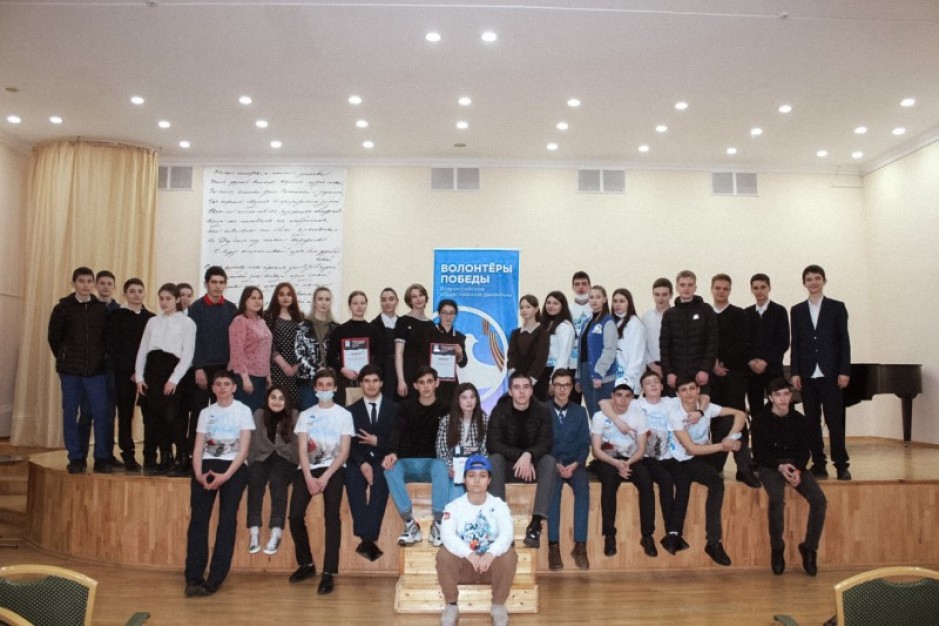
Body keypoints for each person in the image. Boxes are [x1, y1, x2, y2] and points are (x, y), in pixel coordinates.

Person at [184, 369, 254, 597]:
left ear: (234, 388)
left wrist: (226, 476)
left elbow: (243, 450)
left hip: (233, 468)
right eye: (218, 384)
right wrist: (198, 474)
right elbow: (198, 447)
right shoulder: (206, 413)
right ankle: (193, 578)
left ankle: (215, 578)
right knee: (198, 521)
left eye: (226, 384)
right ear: (213, 388)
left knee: (227, 521)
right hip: (206, 467)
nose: (222, 388)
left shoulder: (243, 411)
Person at [751, 378, 827, 576]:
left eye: (786, 394)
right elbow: (759, 454)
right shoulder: (760, 420)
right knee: (777, 499)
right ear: (770, 398)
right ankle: (777, 548)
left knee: (819, 500)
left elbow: (804, 451)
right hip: (771, 465)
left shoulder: (800, 420)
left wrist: (798, 471)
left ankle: (809, 548)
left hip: (795, 464)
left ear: (791, 395)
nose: (783, 399)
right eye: (778, 395)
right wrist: (780, 467)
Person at [668, 376, 747, 565]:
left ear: (698, 390)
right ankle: (713, 542)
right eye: (684, 390)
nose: (689, 393)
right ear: (678, 394)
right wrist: (725, 445)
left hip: (707, 454)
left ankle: (746, 470)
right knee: (717, 484)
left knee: (730, 423)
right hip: (686, 459)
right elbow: (692, 449)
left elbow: (740, 414)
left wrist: (731, 438)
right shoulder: (675, 415)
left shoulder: (705, 407)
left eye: (692, 388)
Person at [288, 368, 353, 595]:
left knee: (331, 517)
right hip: (307, 469)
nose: (324, 389)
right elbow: (302, 450)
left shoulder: (344, 415)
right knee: (295, 516)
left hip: (334, 470)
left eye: (329, 385)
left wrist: (325, 477)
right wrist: (308, 477)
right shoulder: (305, 415)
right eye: (321, 385)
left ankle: (328, 572)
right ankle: (306, 563)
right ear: (315, 388)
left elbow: (344, 452)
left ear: (335, 388)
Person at [436, 454, 518, 626]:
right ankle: (451, 606)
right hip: (465, 566)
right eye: (471, 475)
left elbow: (507, 534)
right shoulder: (453, 507)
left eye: (482, 476)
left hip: (490, 566)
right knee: (443, 554)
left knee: (509, 554)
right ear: (464, 479)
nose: (476, 480)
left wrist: (490, 554)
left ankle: (498, 606)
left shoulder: (499, 505)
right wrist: (470, 554)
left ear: (489, 480)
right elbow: (447, 536)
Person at [790, 264, 852, 481]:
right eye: (809, 279)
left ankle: (841, 465)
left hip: (832, 374)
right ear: (804, 283)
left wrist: (844, 371)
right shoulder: (797, 310)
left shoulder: (837, 307)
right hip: (807, 375)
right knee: (811, 422)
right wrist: (795, 372)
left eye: (817, 278)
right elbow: (796, 343)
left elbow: (844, 341)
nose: (813, 282)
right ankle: (818, 463)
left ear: (824, 281)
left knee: (835, 421)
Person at [48, 267, 112, 474]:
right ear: (73, 283)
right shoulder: (63, 308)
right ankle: (75, 457)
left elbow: (106, 339)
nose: (85, 285)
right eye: (81, 281)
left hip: (96, 371)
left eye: (89, 281)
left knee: (100, 413)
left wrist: (100, 359)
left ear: (93, 284)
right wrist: (66, 357)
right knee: (70, 413)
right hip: (70, 372)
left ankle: (101, 457)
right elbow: (54, 338)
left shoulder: (100, 308)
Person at [486, 371, 556, 548]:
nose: (522, 391)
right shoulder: (499, 411)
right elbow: (493, 444)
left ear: (531, 390)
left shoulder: (542, 411)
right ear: (510, 392)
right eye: (516, 387)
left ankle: (535, 525)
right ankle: (502, 524)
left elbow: (546, 442)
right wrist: (520, 456)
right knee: (494, 459)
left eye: (526, 387)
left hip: (533, 467)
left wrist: (529, 455)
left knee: (549, 461)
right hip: (509, 467)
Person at [383, 365, 450, 547]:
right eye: (421, 382)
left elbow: (452, 437)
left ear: (437, 383)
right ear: (415, 386)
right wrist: (391, 452)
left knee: (442, 465)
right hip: (407, 462)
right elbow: (395, 432)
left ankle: (438, 524)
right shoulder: (404, 407)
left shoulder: (447, 407)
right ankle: (410, 524)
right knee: (389, 468)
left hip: (433, 463)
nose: (426, 386)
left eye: (429, 381)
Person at [590, 379, 657, 558]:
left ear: (632, 398)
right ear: (612, 397)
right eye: (619, 395)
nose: (623, 400)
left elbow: (641, 450)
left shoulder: (638, 416)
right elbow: (596, 451)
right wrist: (616, 463)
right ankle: (609, 535)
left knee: (646, 481)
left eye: (627, 396)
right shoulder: (599, 417)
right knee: (609, 481)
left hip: (631, 459)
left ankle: (647, 535)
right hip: (606, 460)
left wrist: (627, 463)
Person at [135, 283, 197, 475]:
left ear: (177, 299)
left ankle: (182, 457)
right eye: (161, 298)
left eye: (168, 298)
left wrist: (174, 379)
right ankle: (165, 456)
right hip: (153, 371)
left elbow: (188, 355)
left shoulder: (187, 323)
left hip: (173, 371)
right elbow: (143, 350)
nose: (164, 302)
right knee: (156, 416)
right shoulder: (152, 321)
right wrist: (139, 377)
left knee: (173, 417)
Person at [708, 274, 761, 488]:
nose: (721, 291)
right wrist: (713, 364)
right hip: (711, 376)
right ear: (712, 289)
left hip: (735, 375)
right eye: (717, 288)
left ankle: (743, 468)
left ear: (729, 291)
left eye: (725, 288)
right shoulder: (706, 313)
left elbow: (743, 343)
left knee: (739, 420)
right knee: (715, 421)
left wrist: (724, 364)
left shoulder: (739, 314)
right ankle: (716, 466)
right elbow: (703, 342)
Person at [186, 266, 237, 469]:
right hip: (203, 369)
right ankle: (193, 456)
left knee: (222, 414)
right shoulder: (196, 308)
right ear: (206, 284)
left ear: (225, 285)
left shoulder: (231, 308)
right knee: (199, 413)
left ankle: (220, 454)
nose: (217, 286)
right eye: (214, 282)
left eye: (221, 282)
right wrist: (198, 367)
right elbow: (193, 340)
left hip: (224, 369)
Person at [345, 364, 396, 561]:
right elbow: (348, 443)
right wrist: (362, 464)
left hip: (384, 459)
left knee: (381, 482)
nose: (371, 385)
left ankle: (367, 537)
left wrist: (377, 442)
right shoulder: (350, 411)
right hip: (359, 460)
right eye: (366, 381)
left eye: (375, 380)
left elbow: (397, 440)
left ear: (381, 383)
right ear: (360, 384)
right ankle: (367, 536)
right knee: (353, 480)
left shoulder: (394, 408)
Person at [105, 278, 154, 471]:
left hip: (146, 376)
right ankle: (128, 455)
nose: (136, 294)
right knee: (125, 415)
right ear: (125, 294)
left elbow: (153, 349)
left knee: (150, 415)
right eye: (132, 291)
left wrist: (142, 372)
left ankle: (150, 455)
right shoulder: (116, 316)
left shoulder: (151, 318)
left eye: (140, 291)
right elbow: (113, 347)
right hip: (124, 375)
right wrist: (132, 372)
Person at [546, 369, 590, 570]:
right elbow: (541, 442)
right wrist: (555, 464)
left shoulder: (580, 412)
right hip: (552, 464)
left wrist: (575, 464)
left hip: (574, 464)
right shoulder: (542, 410)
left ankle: (580, 546)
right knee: (553, 493)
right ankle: (553, 547)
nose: (562, 389)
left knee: (583, 489)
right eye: (558, 385)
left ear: (572, 388)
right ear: (552, 387)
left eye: (566, 385)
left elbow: (584, 444)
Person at [246, 385, 298, 557]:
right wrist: (251, 461)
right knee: (254, 476)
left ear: (287, 401)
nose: (277, 401)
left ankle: (276, 532)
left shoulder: (295, 415)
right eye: (273, 397)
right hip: (263, 457)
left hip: (286, 459)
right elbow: (252, 442)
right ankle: (254, 532)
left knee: (277, 479)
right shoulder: (258, 415)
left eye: (281, 398)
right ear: (267, 399)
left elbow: (299, 443)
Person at [660, 270, 718, 392]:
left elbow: (712, 343)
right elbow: (664, 347)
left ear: (695, 287)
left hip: (700, 375)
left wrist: (705, 369)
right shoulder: (669, 314)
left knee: (702, 404)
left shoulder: (706, 310)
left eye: (690, 285)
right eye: (682, 285)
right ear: (677, 287)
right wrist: (669, 372)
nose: (686, 288)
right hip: (676, 375)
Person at [326, 290, 384, 406]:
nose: (359, 306)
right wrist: (343, 369)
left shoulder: (374, 331)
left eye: (362, 303)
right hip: (345, 380)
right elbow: (330, 356)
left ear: (366, 305)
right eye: (355, 303)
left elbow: (380, 356)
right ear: (350, 306)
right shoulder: (340, 330)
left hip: (368, 381)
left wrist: (368, 372)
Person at [745, 273, 790, 417]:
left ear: (769, 288)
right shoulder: (746, 313)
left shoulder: (779, 311)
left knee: (777, 409)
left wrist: (766, 361)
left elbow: (783, 342)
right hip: (752, 371)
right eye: (756, 288)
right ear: (751, 289)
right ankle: (758, 432)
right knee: (756, 409)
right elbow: (743, 343)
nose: (759, 291)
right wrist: (751, 361)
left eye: (763, 287)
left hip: (773, 369)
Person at [436, 382, 488, 503]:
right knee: (456, 484)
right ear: (457, 400)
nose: (469, 401)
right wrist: (450, 466)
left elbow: (485, 451)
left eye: (472, 397)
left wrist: (474, 468)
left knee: (460, 484)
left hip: (475, 468)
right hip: (453, 468)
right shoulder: (446, 421)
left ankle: (446, 514)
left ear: (477, 400)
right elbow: (441, 451)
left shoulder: (484, 420)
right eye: (464, 398)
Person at [228, 286, 272, 412]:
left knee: (257, 415)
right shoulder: (239, 321)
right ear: (245, 300)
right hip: (246, 377)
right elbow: (236, 351)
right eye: (253, 298)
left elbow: (265, 349)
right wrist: (245, 377)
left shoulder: (261, 321)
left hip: (261, 377)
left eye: (259, 298)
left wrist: (267, 375)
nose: (257, 301)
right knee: (245, 414)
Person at [575, 285, 617, 416]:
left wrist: (599, 373)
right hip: (585, 372)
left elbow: (609, 350)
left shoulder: (608, 321)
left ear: (604, 299)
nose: (594, 300)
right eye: (591, 297)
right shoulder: (587, 322)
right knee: (593, 414)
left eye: (598, 297)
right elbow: (582, 352)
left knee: (603, 415)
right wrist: (578, 376)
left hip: (602, 374)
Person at [264, 282, 305, 408]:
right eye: (281, 294)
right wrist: (284, 365)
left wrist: (297, 366)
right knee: (276, 405)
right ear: (276, 297)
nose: (285, 297)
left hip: (296, 371)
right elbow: (269, 344)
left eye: (289, 294)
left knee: (294, 407)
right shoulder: (268, 316)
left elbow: (304, 344)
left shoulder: (300, 317)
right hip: (276, 369)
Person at [394, 283, 434, 400]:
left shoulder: (431, 325)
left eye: (421, 295)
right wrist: (401, 380)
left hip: (426, 376)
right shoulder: (403, 321)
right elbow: (398, 353)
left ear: (426, 298)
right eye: (414, 296)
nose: (418, 299)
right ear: (409, 301)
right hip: (409, 375)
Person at [301, 286, 338, 408]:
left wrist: (330, 371)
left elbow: (338, 354)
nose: (324, 302)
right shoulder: (303, 326)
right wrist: (318, 368)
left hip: (330, 382)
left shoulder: (336, 327)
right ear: (314, 302)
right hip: (309, 382)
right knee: (309, 415)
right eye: (320, 299)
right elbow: (299, 353)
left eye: (327, 299)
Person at [427, 299, 468, 406]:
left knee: (451, 412)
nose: (448, 316)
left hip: (451, 384)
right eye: (444, 313)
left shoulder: (459, 337)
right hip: (432, 382)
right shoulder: (429, 333)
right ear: (439, 314)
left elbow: (463, 363)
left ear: (455, 315)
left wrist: (460, 354)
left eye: (451, 313)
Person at [507, 294, 549, 396]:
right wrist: (514, 377)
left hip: (537, 381)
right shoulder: (515, 333)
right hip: (517, 382)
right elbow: (511, 356)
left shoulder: (543, 332)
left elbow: (541, 358)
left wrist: (529, 382)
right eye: (521, 307)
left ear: (536, 309)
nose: (524, 310)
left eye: (528, 307)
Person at [538, 291, 574, 401]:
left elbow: (563, 355)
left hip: (554, 372)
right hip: (541, 372)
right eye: (548, 302)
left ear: (562, 306)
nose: (551, 306)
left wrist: (554, 381)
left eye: (555, 303)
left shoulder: (565, 326)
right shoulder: (546, 325)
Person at [611, 288, 646, 392]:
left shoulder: (635, 324)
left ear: (629, 303)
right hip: (614, 380)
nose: (618, 304)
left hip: (629, 382)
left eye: (621, 301)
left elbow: (637, 356)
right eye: (615, 301)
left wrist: (626, 380)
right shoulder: (612, 323)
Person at [370, 287, 400, 399]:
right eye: (384, 300)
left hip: (399, 374)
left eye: (391, 299)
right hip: (381, 373)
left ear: (397, 301)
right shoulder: (372, 326)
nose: (387, 303)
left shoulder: (403, 324)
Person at [568, 271, 592, 405]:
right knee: (573, 405)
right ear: (572, 287)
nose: (581, 287)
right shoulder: (567, 309)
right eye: (577, 284)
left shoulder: (596, 309)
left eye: (584, 283)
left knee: (595, 406)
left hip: (590, 364)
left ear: (589, 286)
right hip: (572, 364)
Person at [641, 278, 672, 378]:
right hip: (652, 366)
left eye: (664, 294)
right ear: (653, 295)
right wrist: (651, 364)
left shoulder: (677, 315)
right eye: (657, 294)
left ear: (671, 295)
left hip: (673, 367)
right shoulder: (646, 316)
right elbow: (642, 343)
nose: (660, 298)